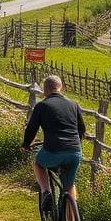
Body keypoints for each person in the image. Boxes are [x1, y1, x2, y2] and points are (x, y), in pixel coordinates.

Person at [21, 76, 85, 212]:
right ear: (60, 87)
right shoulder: (74, 104)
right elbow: (82, 129)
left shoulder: (42, 106)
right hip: (74, 151)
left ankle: (46, 192)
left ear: (45, 90)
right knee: (69, 186)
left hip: (53, 151)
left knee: (39, 163)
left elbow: (31, 129)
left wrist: (26, 145)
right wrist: (75, 144)